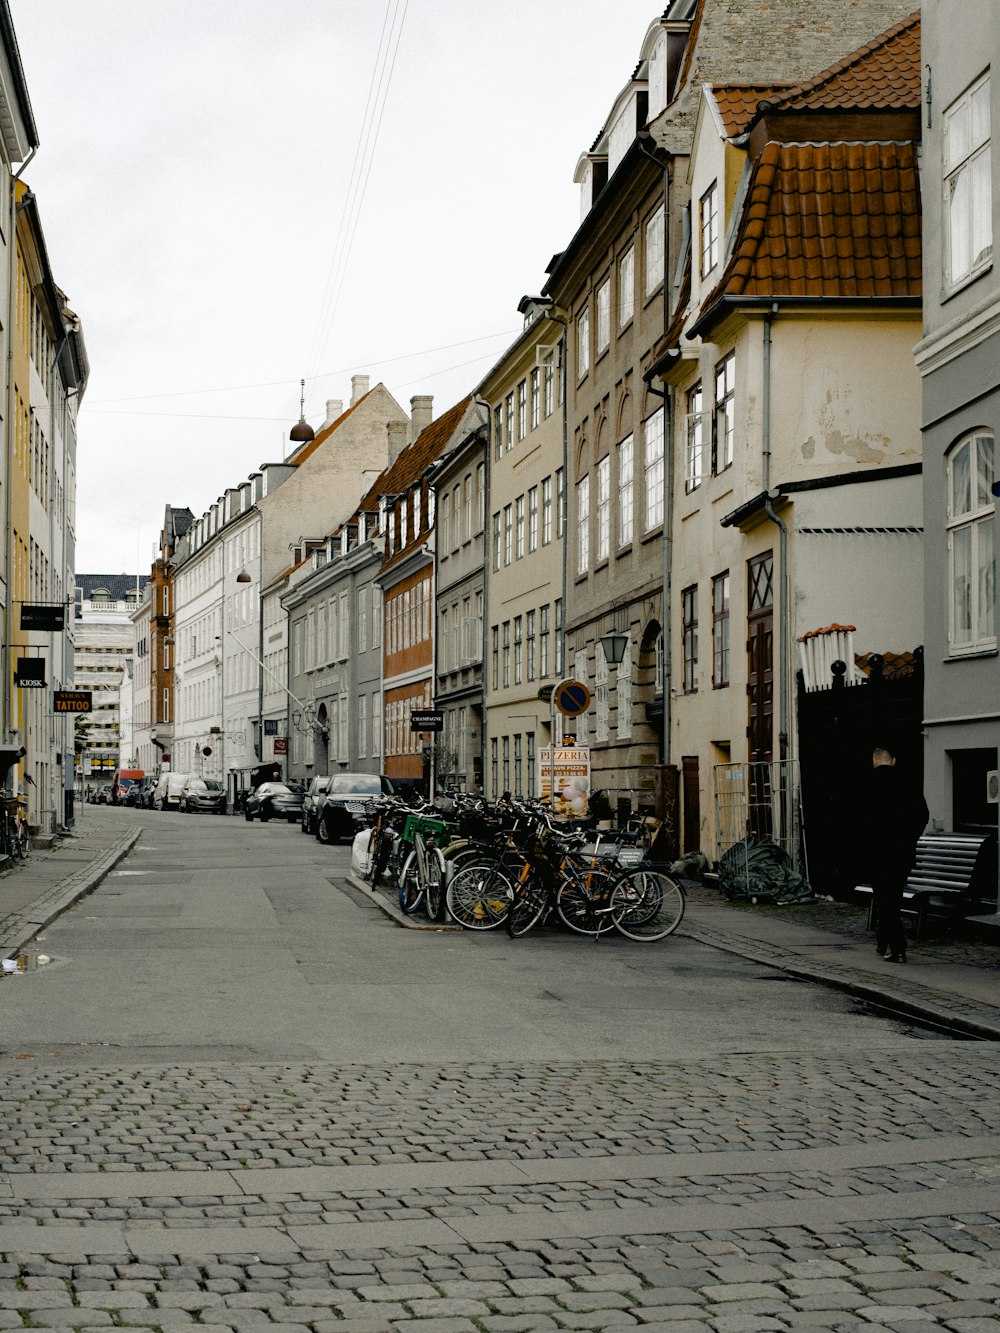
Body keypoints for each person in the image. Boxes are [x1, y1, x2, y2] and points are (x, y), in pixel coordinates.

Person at [860, 742, 929, 963]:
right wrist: (909, 839)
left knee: (885, 900)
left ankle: (898, 948)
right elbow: (922, 814)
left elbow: (858, 819)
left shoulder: (869, 785)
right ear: (894, 761)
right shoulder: (907, 784)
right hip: (901, 852)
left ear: (874, 761)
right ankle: (883, 942)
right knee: (893, 897)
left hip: (877, 852)